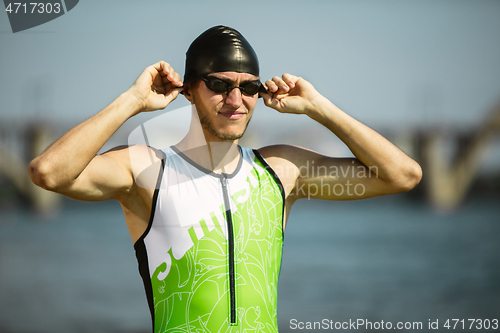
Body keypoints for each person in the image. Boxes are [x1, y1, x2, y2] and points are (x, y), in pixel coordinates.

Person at [28, 26, 422, 332]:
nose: (235, 101)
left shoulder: (281, 171)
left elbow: (403, 175)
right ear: (189, 90)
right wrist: (131, 101)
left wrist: (320, 108)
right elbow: (49, 172)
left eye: (248, 87)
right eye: (219, 85)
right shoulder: (147, 172)